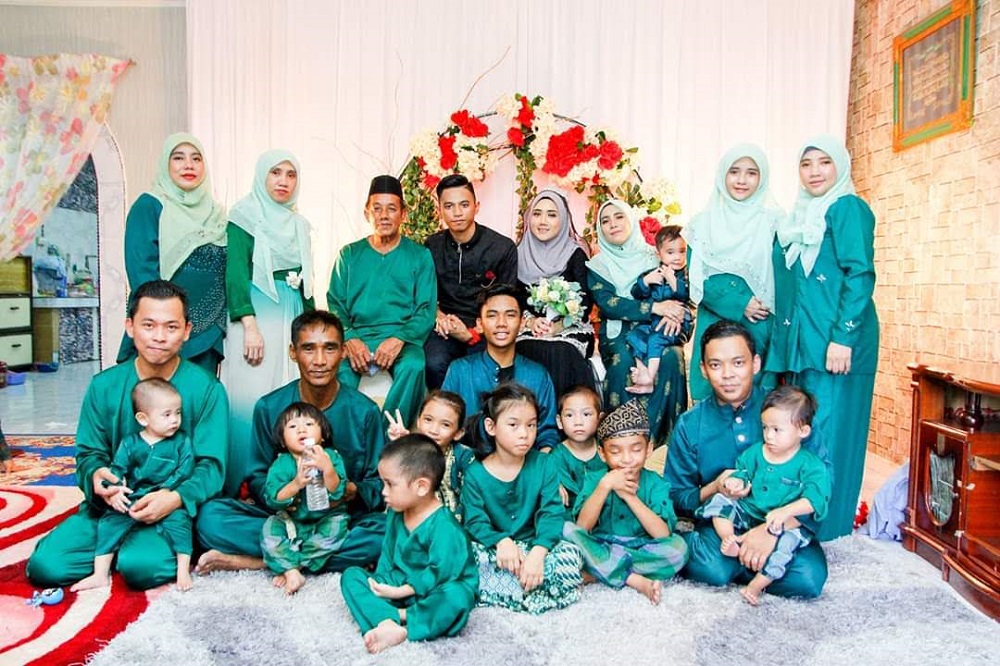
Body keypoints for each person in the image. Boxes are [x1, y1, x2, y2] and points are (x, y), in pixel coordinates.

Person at [27, 280, 229, 590]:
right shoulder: (103, 386)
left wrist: (174, 498)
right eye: (148, 325)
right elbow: (89, 454)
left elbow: (211, 467)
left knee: (140, 569)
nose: (159, 337)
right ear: (130, 326)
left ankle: (132, 552)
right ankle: (114, 547)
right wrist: (97, 477)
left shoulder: (207, 390)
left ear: (187, 331)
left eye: (171, 327)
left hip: (166, 512)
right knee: (46, 567)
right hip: (109, 509)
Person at [195, 310, 386, 574]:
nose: (319, 360)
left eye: (329, 349)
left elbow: (379, 483)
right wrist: (286, 495)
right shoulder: (269, 407)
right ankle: (313, 556)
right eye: (309, 349)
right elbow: (257, 477)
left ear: (342, 352)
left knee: (387, 533)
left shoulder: (365, 412)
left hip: (338, 519)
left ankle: (263, 560)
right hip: (284, 519)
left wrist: (350, 492)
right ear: (293, 352)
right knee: (210, 519)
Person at [663, 319, 831, 599]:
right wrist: (715, 487)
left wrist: (771, 531)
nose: (727, 374)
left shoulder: (788, 410)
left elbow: (822, 483)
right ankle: (737, 563)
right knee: (713, 571)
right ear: (703, 370)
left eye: (738, 363)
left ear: (755, 363)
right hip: (725, 525)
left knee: (810, 580)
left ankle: (740, 564)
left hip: (784, 525)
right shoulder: (690, 424)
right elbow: (677, 496)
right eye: (716, 365)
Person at [769, 135, 879, 541]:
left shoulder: (847, 208)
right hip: (806, 342)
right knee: (803, 429)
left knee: (829, 431)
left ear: (840, 168)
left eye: (824, 163)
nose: (815, 171)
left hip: (837, 343)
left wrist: (843, 338)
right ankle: (801, 517)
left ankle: (826, 526)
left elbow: (860, 274)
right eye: (806, 164)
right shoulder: (798, 218)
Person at [220, 150, 314, 496]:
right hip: (256, 316)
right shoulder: (244, 216)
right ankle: (238, 486)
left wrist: (310, 331)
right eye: (276, 173)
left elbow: (305, 283)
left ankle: (279, 483)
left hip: (290, 315)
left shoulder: (299, 224)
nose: (283, 181)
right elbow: (236, 274)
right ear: (262, 176)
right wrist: (249, 325)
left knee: (287, 396)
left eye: (291, 174)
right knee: (250, 397)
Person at [340, 435, 478, 654]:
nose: (383, 491)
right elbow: (387, 555)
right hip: (399, 581)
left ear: (421, 486)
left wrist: (398, 593)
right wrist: (382, 585)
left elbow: (441, 573)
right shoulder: (397, 512)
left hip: (434, 588)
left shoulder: (445, 527)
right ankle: (386, 624)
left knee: (457, 597)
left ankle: (399, 619)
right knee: (352, 576)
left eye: (390, 484)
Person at [696, 385, 830, 605]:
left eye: (777, 430)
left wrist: (786, 512)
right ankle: (730, 539)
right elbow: (743, 472)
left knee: (786, 549)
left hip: (786, 525)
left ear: (803, 431)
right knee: (720, 501)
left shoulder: (811, 465)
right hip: (747, 514)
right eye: (765, 427)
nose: (768, 435)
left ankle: (756, 585)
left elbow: (815, 500)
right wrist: (736, 483)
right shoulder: (756, 452)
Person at [461, 384, 583, 614]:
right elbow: (474, 522)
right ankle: (533, 591)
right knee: (466, 559)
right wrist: (501, 542)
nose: (524, 434)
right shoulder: (475, 474)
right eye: (513, 425)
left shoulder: (545, 464)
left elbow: (551, 513)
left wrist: (538, 553)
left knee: (570, 554)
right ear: (491, 426)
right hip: (497, 551)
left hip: (536, 544)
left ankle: (511, 591)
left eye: (531, 425)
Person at [328, 175, 437, 426]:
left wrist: (399, 339)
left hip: (402, 337)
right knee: (339, 371)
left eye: (391, 209)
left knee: (414, 365)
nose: (384, 215)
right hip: (358, 335)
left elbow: (425, 309)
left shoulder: (419, 256)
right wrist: (350, 338)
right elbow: (335, 303)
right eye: (377, 208)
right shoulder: (349, 254)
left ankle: (387, 435)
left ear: (403, 214)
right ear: (367, 212)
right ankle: (352, 440)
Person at [70, 378, 195, 592]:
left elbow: (185, 469)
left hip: (167, 497)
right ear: (143, 418)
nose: (175, 420)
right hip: (134, 496)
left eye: (178, 413)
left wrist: (166, 490)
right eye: (167, 414)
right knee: (109, 522)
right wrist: (115, 489)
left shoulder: (181, 441)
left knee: (181, 524)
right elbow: (118, 468)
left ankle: (182, 571)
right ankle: (100, 573)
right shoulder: (130, 442)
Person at [118, 134, 228, 375]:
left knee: (199, 404)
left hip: (208, 334)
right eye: (178, 158)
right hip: (161, 333)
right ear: (166, 165)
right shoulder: (149, 206)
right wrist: (167, 325)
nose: (188, 165)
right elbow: (142, 276)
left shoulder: (217, 214)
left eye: (196, 158)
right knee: (157, 407)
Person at [684, 143, 784, 401]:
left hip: (759, 324)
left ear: (762, 178)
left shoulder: (775, 222)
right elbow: (696, 281)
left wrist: (755, 307)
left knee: (758, 406)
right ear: (722, 176)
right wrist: (740, 303)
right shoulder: (701, 224)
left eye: (752, 173)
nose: (742, 180)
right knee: (713, 402)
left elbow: (783, 275)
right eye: (734, 171)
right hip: (716, 320)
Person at [563, 400, 688, 604]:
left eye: (636, 449)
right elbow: (582, 528)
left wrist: (629, 496)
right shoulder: (595, 479)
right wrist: (605, 487)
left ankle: (598, 571)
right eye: (615, 451)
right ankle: (631, 578)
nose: (627, 459)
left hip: (641, 547)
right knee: (565, 530)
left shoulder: (656, 483)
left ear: (649, 449)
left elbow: (663, 534)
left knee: (679, 549)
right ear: (602, 453)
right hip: (599, 542)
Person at [586, 199, 688, 445]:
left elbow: (678, 295)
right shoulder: (598, 265)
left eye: (619, 217)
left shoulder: (654, 257)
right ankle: (621, 445)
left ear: (630, 219)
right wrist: (654, 307)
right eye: (605, 221)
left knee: (672, 357)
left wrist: (675, 315)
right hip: (618, 334)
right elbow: (609, 304)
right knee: (624, 366)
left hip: (655, 328)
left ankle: (665, 444)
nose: (613, 224)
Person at [423, 174, 517, 389]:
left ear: (477, 206)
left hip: (488, 325)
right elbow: (425, 295)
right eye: (449, 206)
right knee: (433, 363)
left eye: (464, 205)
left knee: (486, 368)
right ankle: (448, 418)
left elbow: (507, 302)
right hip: (445, 325)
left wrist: (474, 332)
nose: (457, 213)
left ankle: (483, 421)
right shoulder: (432, 246)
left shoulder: (502, 248)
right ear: (439, 210)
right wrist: (442, 319)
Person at [442, 283, 559, 451]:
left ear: (521, 322)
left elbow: (547, 434)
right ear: (480, 324)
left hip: (524, 468)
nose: (501, 323)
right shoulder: (460, 370)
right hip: (470, 468)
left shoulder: (537, 375)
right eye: (492, 315)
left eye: (510, 315)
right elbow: (445, 422)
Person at [514, 189, 596, 397]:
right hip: (527, 329)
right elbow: (511, 299)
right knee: (526, 350)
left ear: (564, 220)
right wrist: (531, 322)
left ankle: (564, 422)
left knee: (559, 351)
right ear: (528, 217)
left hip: (568, 330)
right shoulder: (516, 254)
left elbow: (584, 304)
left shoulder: (575, 254)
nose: (543, 221)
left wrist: (556, 326)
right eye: (537, 213)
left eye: (552, 215)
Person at [261, 402, 349, 595]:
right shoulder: (281, 463)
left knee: (339, 527)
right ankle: (294, 569)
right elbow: (273, 498)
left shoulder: (330, 457)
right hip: (291, 522)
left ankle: (291, 566)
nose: (301, 429)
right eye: (292, 426)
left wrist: (328, 469)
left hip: (325, 519)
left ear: (323, 435)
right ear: (283, 440)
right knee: (269, 528)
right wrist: (296, 484)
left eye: (309, 424)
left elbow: (338, 490)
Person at [625, 225, 693, 395]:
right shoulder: (654, 273)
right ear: (659, 254)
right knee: (633, 336)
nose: (677, 257)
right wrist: (646, 282)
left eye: (682, 251)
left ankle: (649, 376)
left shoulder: (686, 275)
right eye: (671, 252)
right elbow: (637, 293)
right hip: (653, 322)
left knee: (656, 340)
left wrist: (673, 281)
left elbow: (687, 295)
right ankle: (641, 369)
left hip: (678, 324)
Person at [384, 390, 473, 519]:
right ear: (418, 421)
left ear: (458, 433)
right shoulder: (409, 450)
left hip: (453, 525)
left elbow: (472, 503)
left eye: (445, 425)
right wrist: (403, 449)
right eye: (428, 420)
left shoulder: (465, 458)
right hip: (413, 523)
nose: (434, 430)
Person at [548, 384, 605, 512]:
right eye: (569, 415)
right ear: (559, 421)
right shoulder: (557, 456)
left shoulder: (607, 450)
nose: (578, 422)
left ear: (599, 419)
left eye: (586, 414)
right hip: (571, 517)